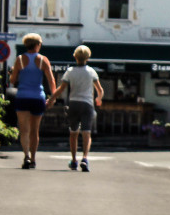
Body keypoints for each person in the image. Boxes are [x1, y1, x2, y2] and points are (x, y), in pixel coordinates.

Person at [48, 45, 104, 172]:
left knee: (73, 133)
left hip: (73, 103)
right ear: (88, 58)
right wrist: (99, 99)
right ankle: (85, 158)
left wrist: (52, 99)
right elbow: (100, 90)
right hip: (87, 104)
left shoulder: (70, 71)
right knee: (86, 132)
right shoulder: (91, 72)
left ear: (75, 56)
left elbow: (61, 89)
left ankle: (73, 160)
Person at [9, 33, 56, 169]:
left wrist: (13, 73)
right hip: (37, 97)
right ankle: (34, 158)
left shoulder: (19, 59)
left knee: (24, 130)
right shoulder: (43, 60)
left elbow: (12, 80)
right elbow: (51, 80)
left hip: (22, 96)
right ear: (37, 45)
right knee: (35, 130)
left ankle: (26, 157)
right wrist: (52, 98)